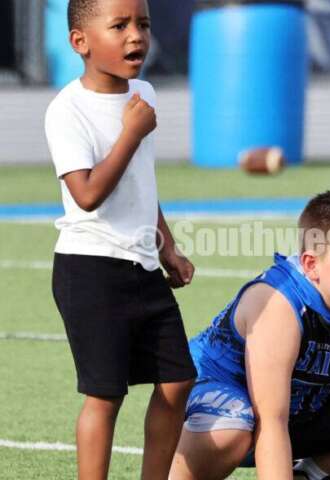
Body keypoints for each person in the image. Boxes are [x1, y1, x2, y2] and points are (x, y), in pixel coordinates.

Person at [170, 190, 330, 480]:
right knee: (232, 428)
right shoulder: (279, 303)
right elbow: (271, 422)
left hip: (299, 405)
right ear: (311, 264)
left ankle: (310, 475)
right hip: (223, 403)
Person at [45, 0, 197, 478]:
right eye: (119, 25)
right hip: (90, 270)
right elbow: (87, 194)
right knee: (105, 395)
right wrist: (130, 133)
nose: (136, 36)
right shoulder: (66, 109)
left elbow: (140, 184)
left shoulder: (143, 94)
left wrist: (166, 245)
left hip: (143, 266)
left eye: (144, 24)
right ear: (80, 42)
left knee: (178, 382)